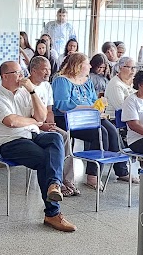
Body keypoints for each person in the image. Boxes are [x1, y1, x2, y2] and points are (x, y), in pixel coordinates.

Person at [0, 61, 76, 232]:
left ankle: (54, 185)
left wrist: (32, 91)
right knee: (44, 159)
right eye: (17, 73)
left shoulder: (25, 92)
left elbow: (41, 117)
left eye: (22, 72)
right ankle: (53, 213)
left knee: (56, 137)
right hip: (10, 142)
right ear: (5, 76)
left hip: (33, 136)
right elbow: (11, 121)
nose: (21, 76)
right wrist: (34, 121)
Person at [51, 53, 131, 188]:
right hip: (69, 119)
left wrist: (99, 107)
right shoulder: (61, 80)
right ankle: (92, 175)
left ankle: (121, 170)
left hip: (90, 116)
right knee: (101, 133)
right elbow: (62, 106)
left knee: (112, 131)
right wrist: (89, 108)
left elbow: (94, 100)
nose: (89, 66)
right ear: (78, 65)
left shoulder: (87, 81)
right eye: (87, 64)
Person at [26, 55, 80, 196]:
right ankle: (57, 182)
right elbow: (26, 115)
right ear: (33, 70)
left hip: (44, 124)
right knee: (56, 139)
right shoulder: (26, 87)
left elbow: (49, 110)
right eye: (44, 69)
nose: (48, 73)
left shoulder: (47, 86)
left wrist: (50, 124)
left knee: (64, 136)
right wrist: (42, 125)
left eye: (49, 69)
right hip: (30, 127)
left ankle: (67, 180)